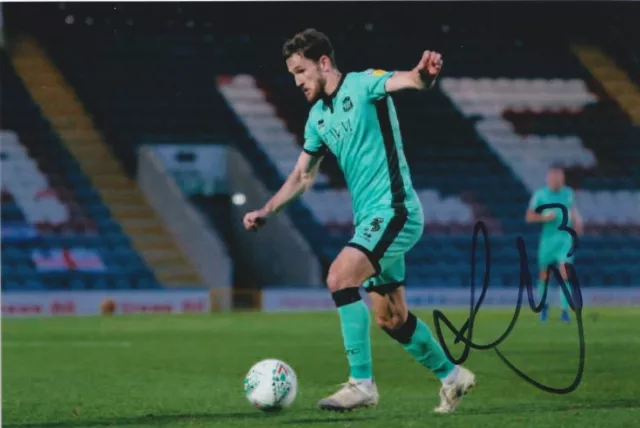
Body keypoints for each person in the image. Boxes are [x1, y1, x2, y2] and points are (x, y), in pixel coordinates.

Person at [243, 28, 475, 413]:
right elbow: (302, 176)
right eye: (292, 75)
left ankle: (361, 384)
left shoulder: (364, 84)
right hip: (369, 218)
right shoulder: (317, 118)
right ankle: (453, 378)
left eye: (301, 71)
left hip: (395, 210)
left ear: (324, 63)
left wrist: (423, 77)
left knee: (339, 277)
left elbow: (407, 80)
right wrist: (267, 211)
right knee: (391, 318)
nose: (298, 81)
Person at [526, 164, 584, 323]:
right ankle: (543, 307)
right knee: (545, 274)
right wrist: (544, 218)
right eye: (554, 177)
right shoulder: (540, 195)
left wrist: (577, 223)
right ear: (548, 178)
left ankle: (564, 310)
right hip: (548, 241)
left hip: (565, 239)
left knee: (565, 271)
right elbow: (529, 216)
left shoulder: (568, 193)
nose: (557, 180)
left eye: (560, 177)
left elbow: (572, 211)